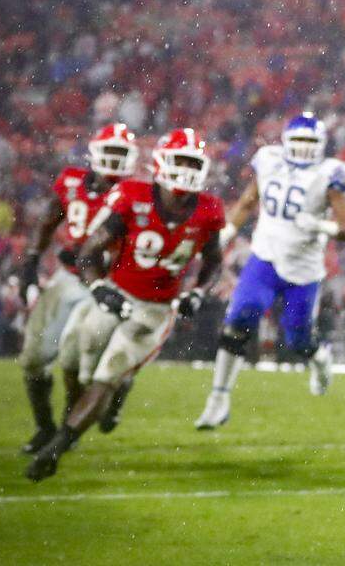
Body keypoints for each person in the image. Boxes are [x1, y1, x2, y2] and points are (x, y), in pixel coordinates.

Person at [26, 128, 226, 481]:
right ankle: (91, 408)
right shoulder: (133, 195)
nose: (185, 169)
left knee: (107, 373)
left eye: (192, 162)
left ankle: (57, 446)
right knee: (74, 361)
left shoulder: (208, 210)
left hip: (155, 308)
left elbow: (214, 261)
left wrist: (198, 290)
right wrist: (99, 286)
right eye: (179, 160)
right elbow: (89, 250)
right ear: (161, 162)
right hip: (115, 294)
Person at [196, 113, 345, 429]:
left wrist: (320, 225)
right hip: (265, 258)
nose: (302, 149)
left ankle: (320, 359)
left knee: (297, 340)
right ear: (285, 142)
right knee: (239, 318)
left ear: (321, 145)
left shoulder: (329, 174)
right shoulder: (269, 161)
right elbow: (247, 202)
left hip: (304, 269)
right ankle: (218, 399)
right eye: (297, 141)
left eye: (309, 143)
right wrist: (227, 234)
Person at [16, 123, 138, 454]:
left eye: (120, 153)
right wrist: (29, 262)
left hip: (112, 283)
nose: (113, 160)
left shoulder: (136, 194)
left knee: (84, 359)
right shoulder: (72, 182)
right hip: (70, 276)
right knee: (33, 359)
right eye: (109, 152)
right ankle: (45, 428)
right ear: (95, 153)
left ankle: (106, 398)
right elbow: (47, 222)